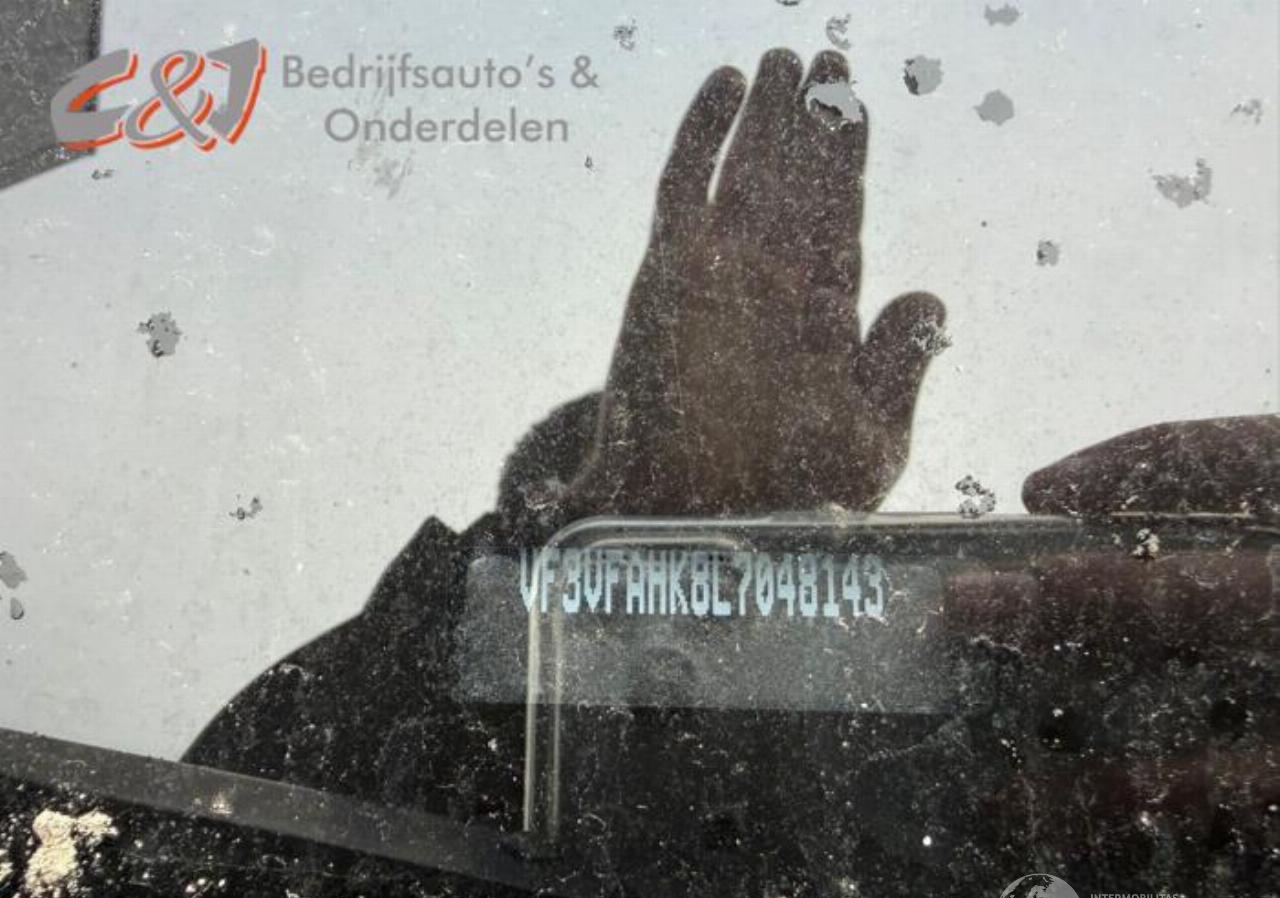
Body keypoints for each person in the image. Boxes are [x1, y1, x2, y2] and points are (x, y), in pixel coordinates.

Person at [184, 49, 1278, 837]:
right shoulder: (404, 755)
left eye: (791, 536)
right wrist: (613, 548)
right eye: (572, 534)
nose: (713, 568)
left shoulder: (955, 753)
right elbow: (237, 841)